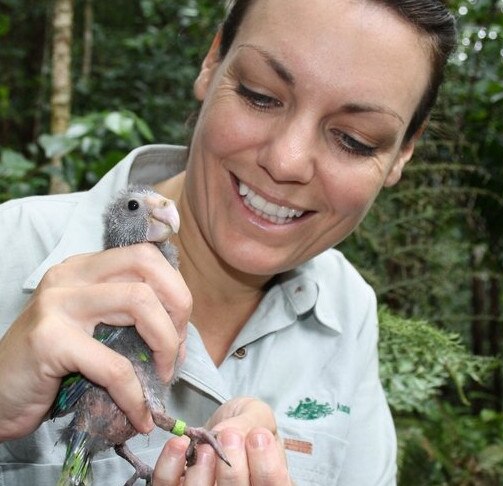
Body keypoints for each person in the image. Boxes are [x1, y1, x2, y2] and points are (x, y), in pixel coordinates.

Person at [0, 0, 456, 484]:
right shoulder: (12, 246)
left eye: (355, 140)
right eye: (261, 95)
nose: (287, 161)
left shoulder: (348, 309)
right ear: (212, 62)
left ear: (403, 151)